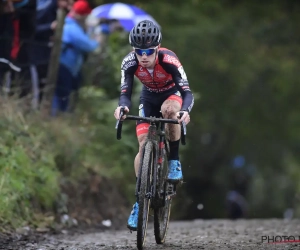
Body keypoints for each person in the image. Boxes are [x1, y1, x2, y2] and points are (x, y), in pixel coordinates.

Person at [113, 20, 194, 231]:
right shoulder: (130, 63)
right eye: (140, 52)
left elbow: (187, 92)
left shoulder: (169, 60)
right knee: (142, 145)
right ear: (134, 50)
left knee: (170, 112)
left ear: (157, 47)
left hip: (171, 94)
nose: (144, 56)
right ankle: (139, 202)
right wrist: (121, 108)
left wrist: (184, 111)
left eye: (149, 51)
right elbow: (125, 93)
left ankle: (174, 161)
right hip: (147, 98)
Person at [51, 0, 99, 115]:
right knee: (62, 96)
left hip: (67, 67)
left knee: (62, 95)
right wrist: (96, 37)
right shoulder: (72, 28)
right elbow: (88, 46)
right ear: (82, 15)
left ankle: (56, 119)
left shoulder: (70, 25)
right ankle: (56, 119)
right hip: (65, 66)